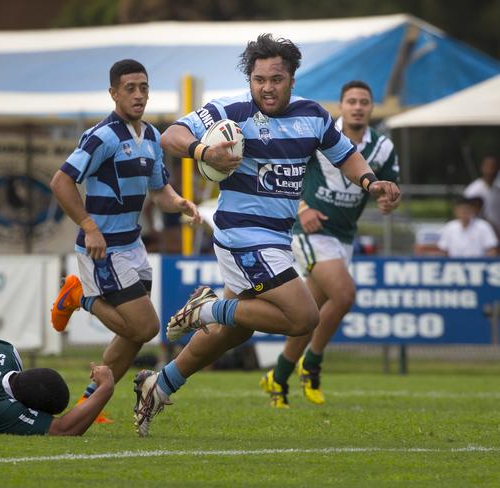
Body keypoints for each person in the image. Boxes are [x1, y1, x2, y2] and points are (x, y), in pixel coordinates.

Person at [132, 34, 400, 436]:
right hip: (241, 234)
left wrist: (369, 181)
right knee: (304, 317)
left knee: (234, 332)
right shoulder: (230, 111)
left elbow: (345, 155)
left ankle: (159, 384)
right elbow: (171, 135)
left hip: (276, 238)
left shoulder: (314, 116)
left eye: (275, 79)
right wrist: (205, 152)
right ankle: (204, 309)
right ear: (250, 80)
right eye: (259, 79)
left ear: (292, 78)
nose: (266, 87)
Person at [49, 59, 201, 423]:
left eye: (143, 87)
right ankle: (78, 296)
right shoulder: (102, 136)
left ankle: (90, 403)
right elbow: (60, 182)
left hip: (133, 246)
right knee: (146, 327)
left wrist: (179, 202)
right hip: (104, 248)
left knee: (133, 336)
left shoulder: (150, 136)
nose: (138, 94)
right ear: (113, 93)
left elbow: (159, 191)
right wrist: (89, 225)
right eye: (129, 88)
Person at [259, 80, 400, 408]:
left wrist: (389, 200)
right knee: (344, 294)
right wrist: (302, 208)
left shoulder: (383, 148)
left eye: (364, 101)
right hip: (309, 231)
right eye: (351, 101)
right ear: (341, 106)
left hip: (344, 235)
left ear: (371, 108)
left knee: (307, 316)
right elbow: (282, 173)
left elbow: (391, 189)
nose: (358, 107)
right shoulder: (321, 134)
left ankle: (277, 378)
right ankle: (312, 365)